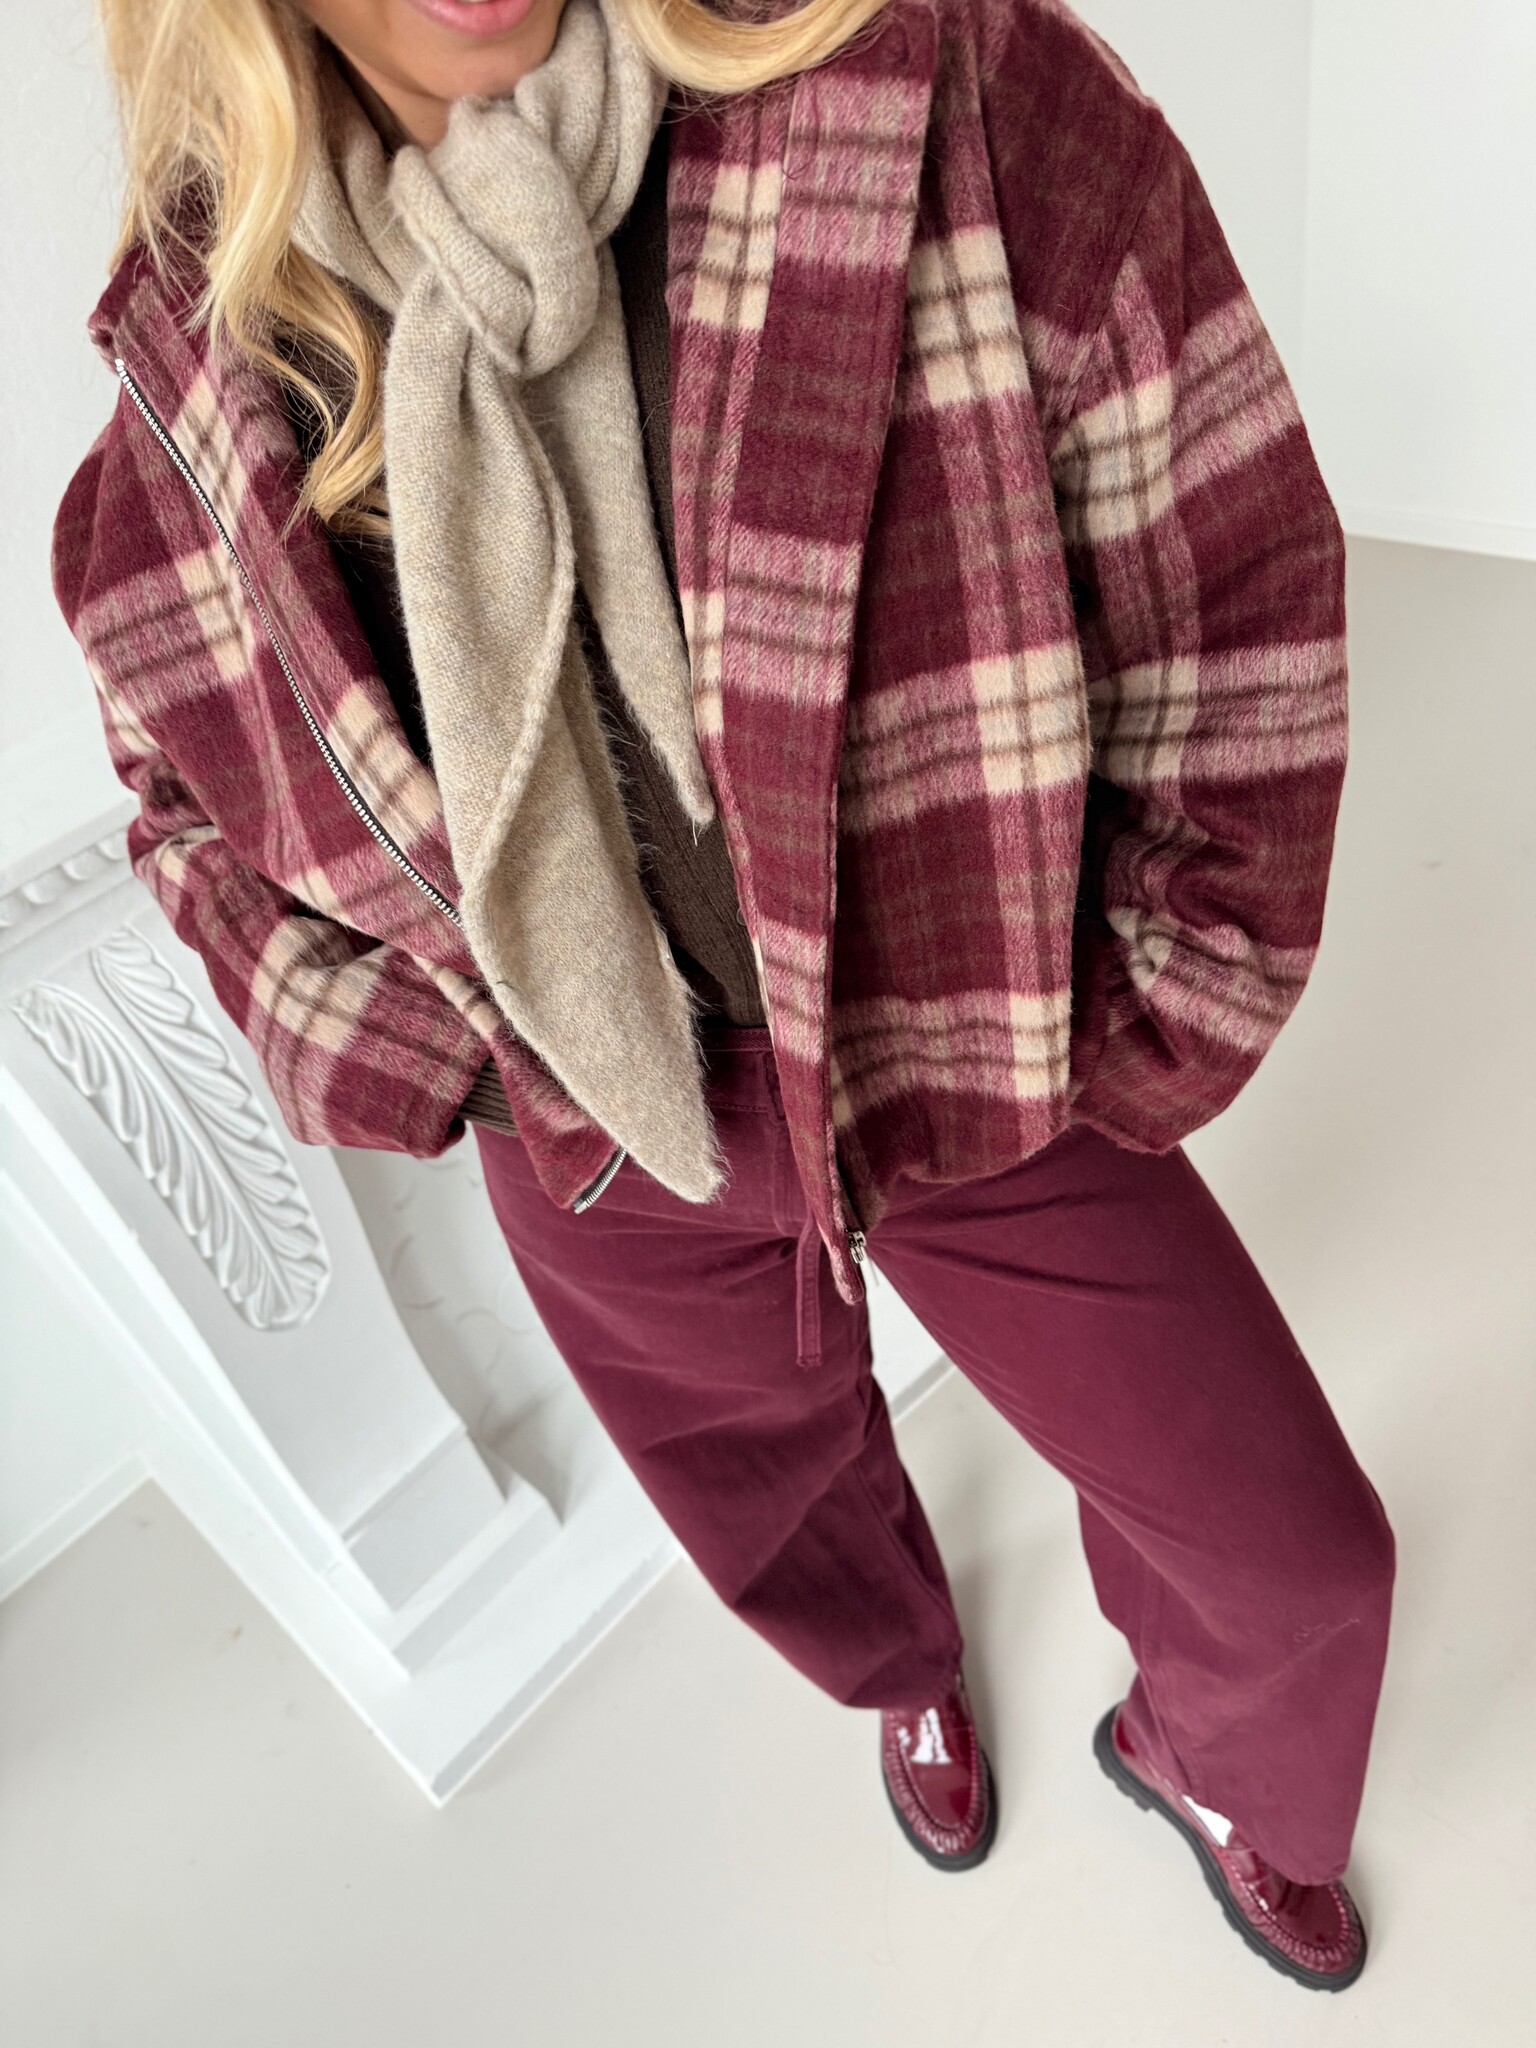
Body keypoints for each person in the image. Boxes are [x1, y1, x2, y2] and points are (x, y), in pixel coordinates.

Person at [57, 0, 1394, 1993]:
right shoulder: (213, 344)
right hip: (602, 1122)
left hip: (967, 1035)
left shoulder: (941, 86)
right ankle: (906, 1672)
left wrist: (1168, 984)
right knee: (765, 1496)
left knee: (1291, 1545)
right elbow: (172, 781)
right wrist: (445, 1065)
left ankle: (1209, 1756)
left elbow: (1233, 557)